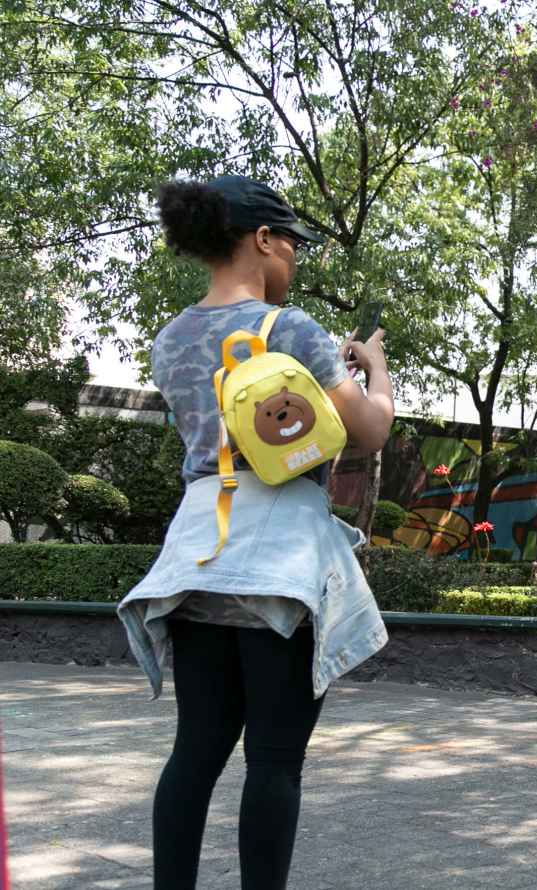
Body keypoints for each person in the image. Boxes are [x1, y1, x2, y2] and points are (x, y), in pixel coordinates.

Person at [116, 175, 396, 889]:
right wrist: (377, 374)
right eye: (292, 245)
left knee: (196, 751)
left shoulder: (169, 338)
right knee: (274, 759)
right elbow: (363, 433)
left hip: (198, 558)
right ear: (263, 240)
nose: (294, 261)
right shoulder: (292, 329)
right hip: (278, 560)